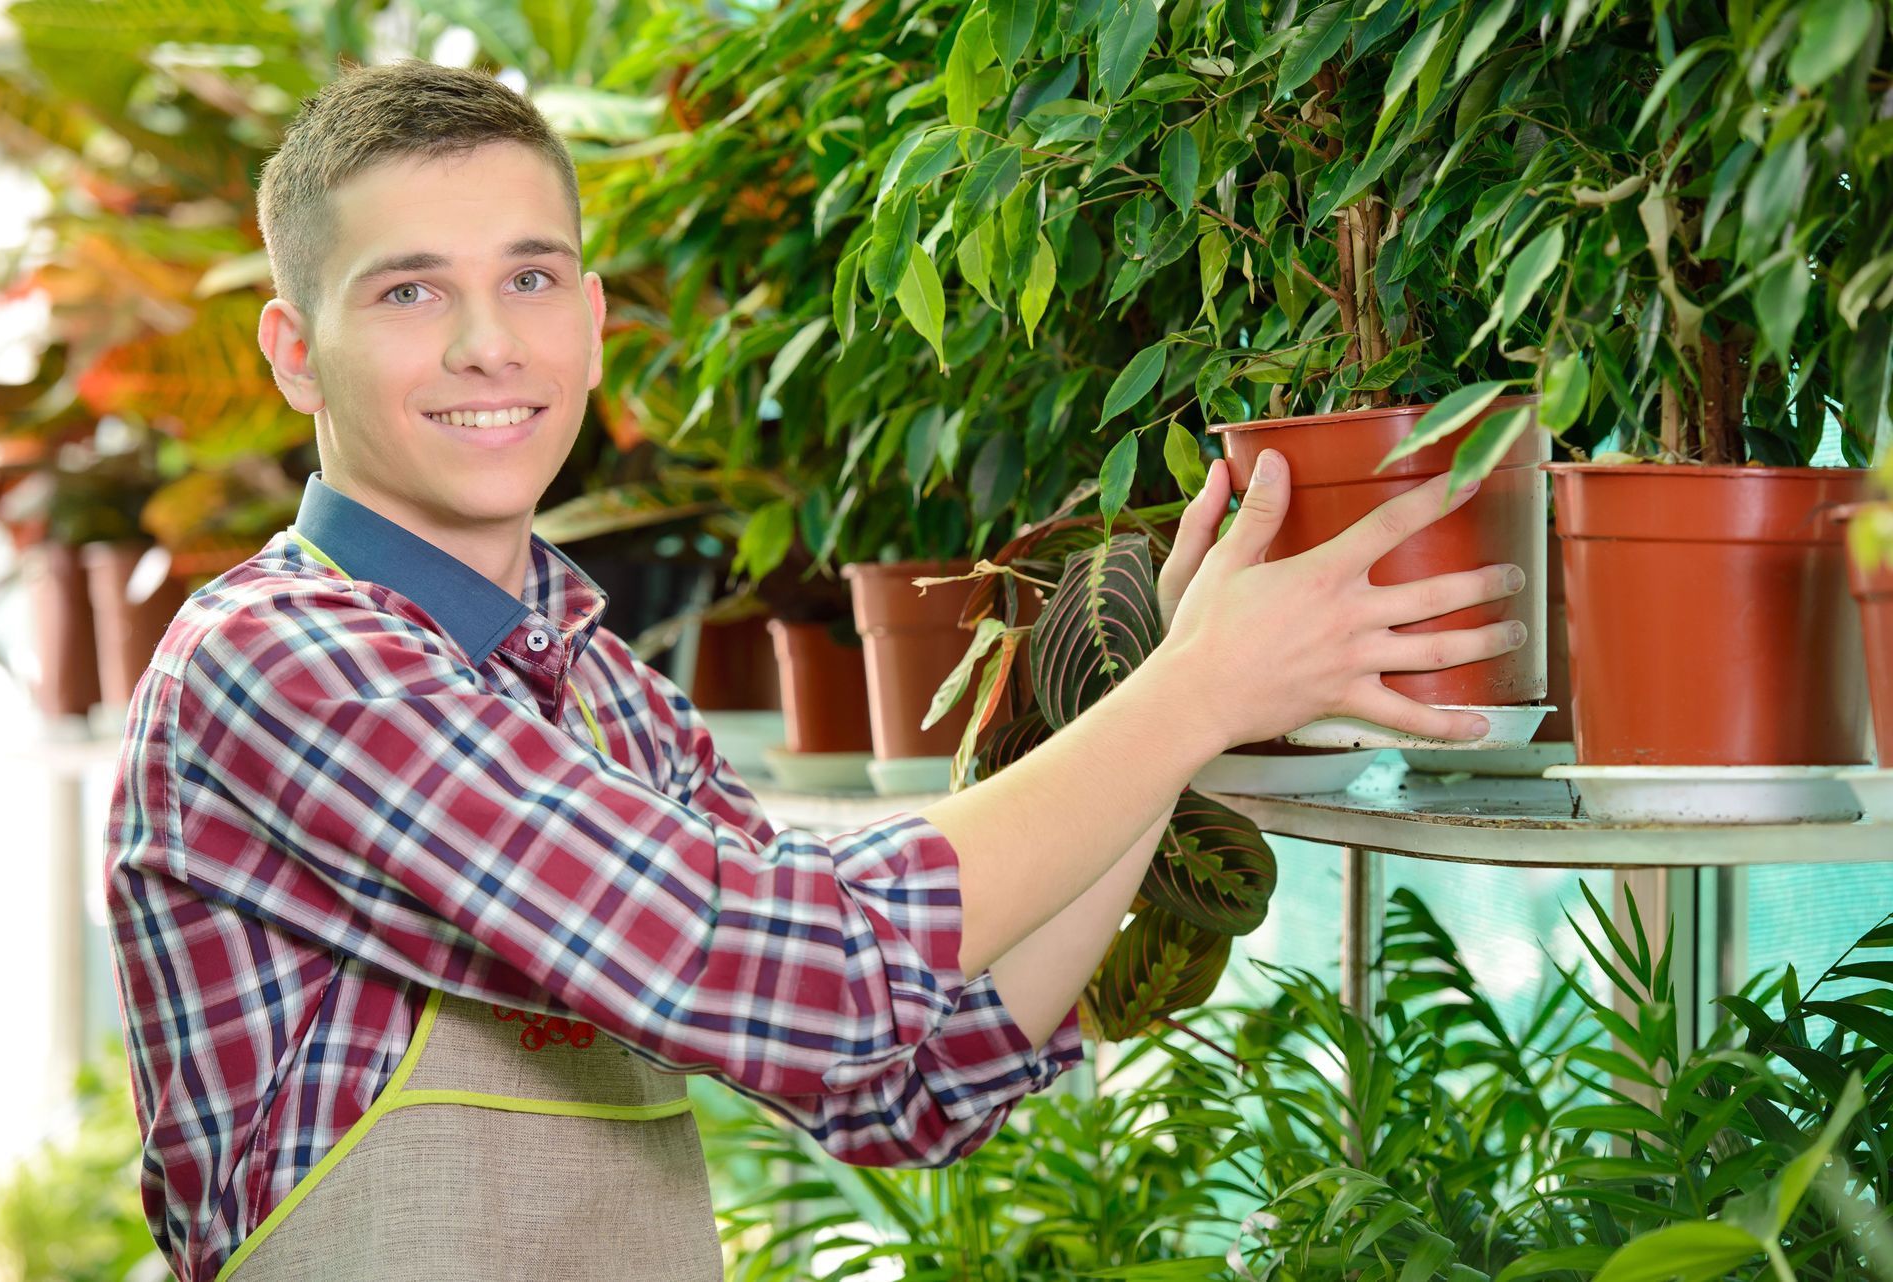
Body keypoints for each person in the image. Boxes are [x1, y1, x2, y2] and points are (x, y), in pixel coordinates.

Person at [103, 58, 1526, 1281]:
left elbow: (912, 1081)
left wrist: (1164, 693)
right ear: (294, 353)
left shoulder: (598, 692)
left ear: (593, 323)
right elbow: (790, 963)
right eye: (411, 290)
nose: (489, 343)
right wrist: (1194, 693)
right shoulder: (282, 666)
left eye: (529, 277)